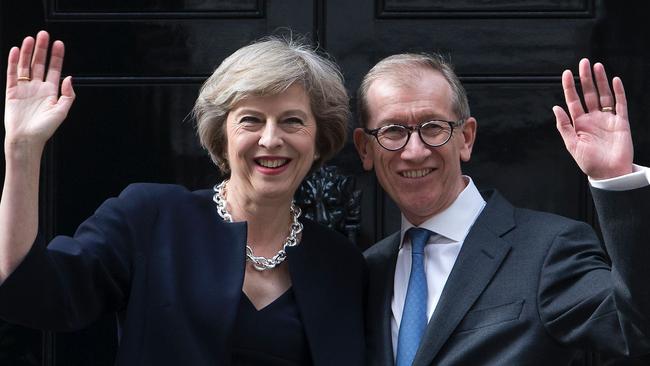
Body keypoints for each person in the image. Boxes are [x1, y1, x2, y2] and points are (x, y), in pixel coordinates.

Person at [0, 31, 366, 365]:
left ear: (318, 140)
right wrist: (23, 150)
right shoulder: (151, 217)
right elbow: (33, 293)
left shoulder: (340, 263)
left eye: (292, 121)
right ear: (222, 135)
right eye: (251, 120)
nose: (271, 139)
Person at [353, 53, 650, 365]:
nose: (414, 151)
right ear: (365, 149)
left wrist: (617, 180)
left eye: (433, 127)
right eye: (393, 131)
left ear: (465, 138)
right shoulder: (365, 272)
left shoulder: (547, 250)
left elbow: (637, 329)